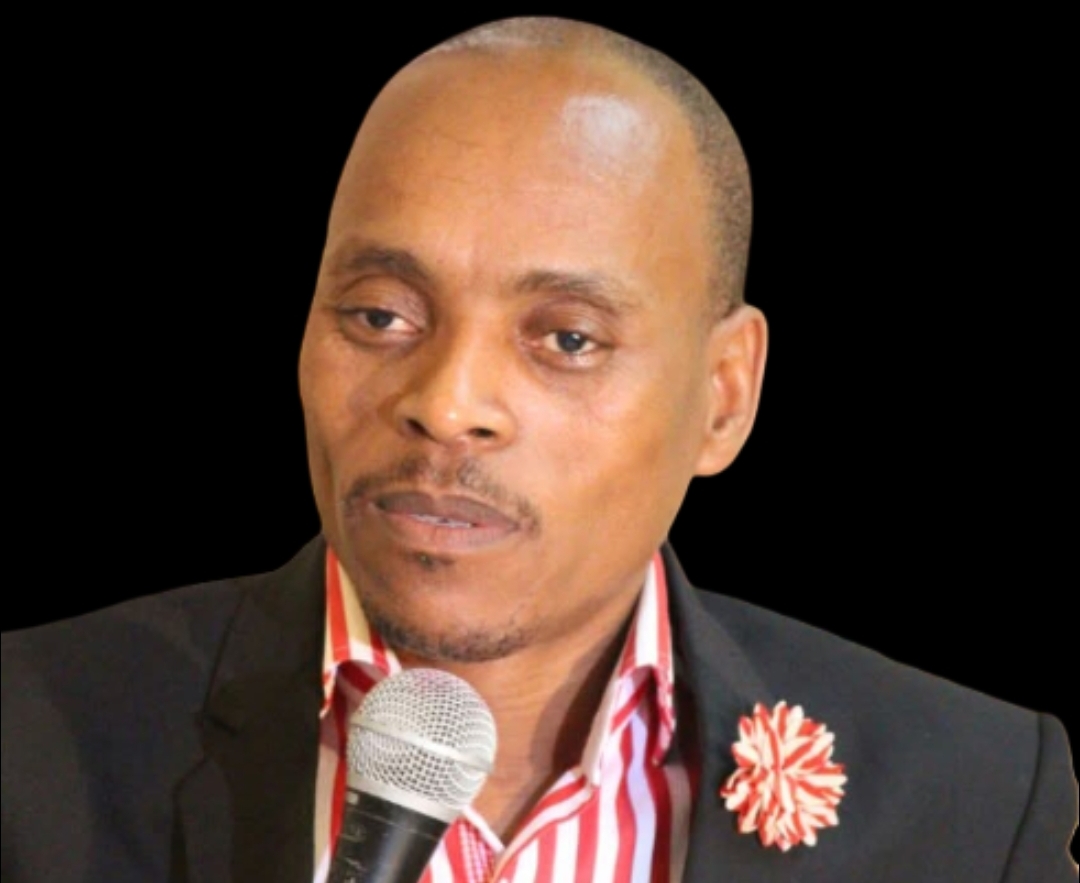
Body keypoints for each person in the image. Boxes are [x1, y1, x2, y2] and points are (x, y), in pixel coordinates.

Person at [2, 16, 1075, 883]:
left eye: (566, 339)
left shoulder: (967, 802)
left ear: (723, 397)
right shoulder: (29, 742)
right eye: (380, 315)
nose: (446, 404)